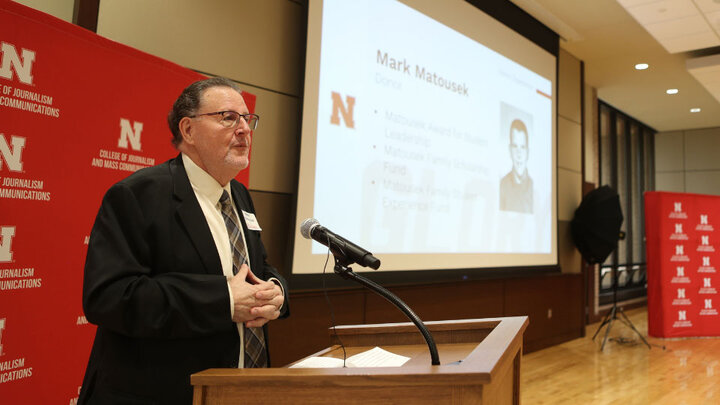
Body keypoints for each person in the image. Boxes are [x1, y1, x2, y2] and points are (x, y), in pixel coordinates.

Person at [78, 77, 289, 405]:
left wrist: (276, 290)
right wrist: (223, 299)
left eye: (248, 119)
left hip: (239, 392)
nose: (244, 129)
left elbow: (256, 268)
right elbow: (109, 298)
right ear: (188, 130)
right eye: (228, 117)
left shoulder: (240, 196)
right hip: (162, 393)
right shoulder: (138, 195)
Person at [499, 118, 533, 213]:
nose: (519, 154)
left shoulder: (535, 188)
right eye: (515, 147)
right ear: (510, 150)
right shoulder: (502, 186)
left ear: (528, 152)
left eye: (522, 147)